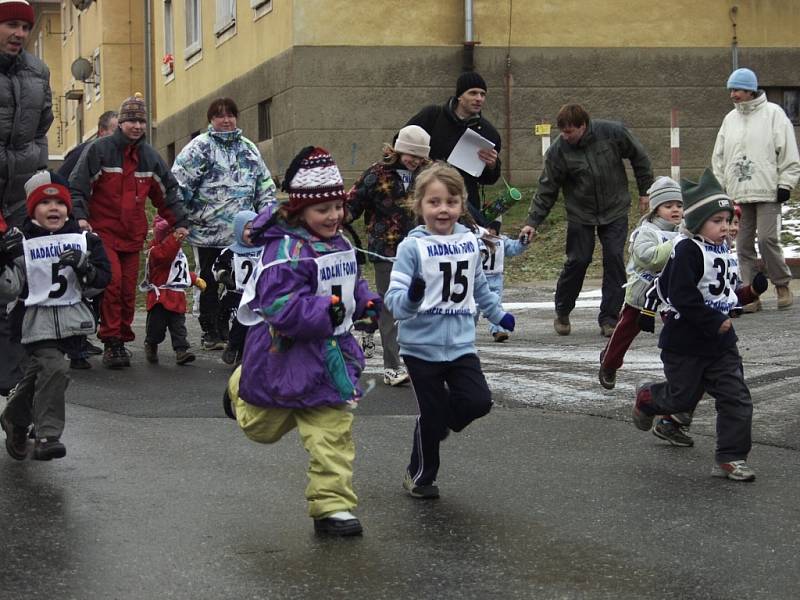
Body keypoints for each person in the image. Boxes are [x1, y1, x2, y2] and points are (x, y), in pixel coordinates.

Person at [223, 147, 381, 537]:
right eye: (322, 209)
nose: (333, 216)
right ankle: (237, 386)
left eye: (337, 207)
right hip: (285, 357)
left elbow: (349, 282)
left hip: (332, 362)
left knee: (333, 432)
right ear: (300, 210)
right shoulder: (284, 250)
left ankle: (332, 507)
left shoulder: (341, 241)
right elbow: (276, 303)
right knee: (261, 428)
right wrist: (318, 312)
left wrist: (365, 301)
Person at [385, 162, 515, 500]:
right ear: (419, 205)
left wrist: (498, 314)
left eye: (451, 202)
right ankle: (420, 476)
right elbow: (394, 300)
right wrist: (411, 297)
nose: (443, 209)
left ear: (462, 204)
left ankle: (443, 421)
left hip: (460, 345)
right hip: (419, 347)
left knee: (478, 401)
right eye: (434, 202)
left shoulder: (470, 243)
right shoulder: (411, 248)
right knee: (430, 414)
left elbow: (480, 287)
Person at [631, 169, 762, 482]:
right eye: (717, 221)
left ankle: (730, 458)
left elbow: (725, 295)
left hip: (720, 347)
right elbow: (683, 296)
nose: (725, 227)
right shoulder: (687, 250)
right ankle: (648, 398)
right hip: (685, 343)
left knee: (737, 398)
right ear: (696, 222)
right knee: (681, 398)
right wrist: (714, 320)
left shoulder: (724, 252)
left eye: (728, 221)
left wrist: (751, 292)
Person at [69, 93, 189, 369]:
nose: (136, 125)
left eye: (141, 121)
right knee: (111, 286)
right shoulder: (99, 151)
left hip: (133, 236)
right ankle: (111, 342)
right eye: (131, 120)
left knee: (126, 291)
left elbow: (167, 193)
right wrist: (82, 218)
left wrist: (180, 221)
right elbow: (78, 186)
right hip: (103, 234)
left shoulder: (149, 157)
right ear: (121, 122)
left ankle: (121, 339)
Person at [0, 171, 110, 461]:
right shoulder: (20, 241)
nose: (54, 209)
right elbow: (8, 290)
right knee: (55, 369)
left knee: (43, 374)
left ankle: (14, 419)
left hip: (71, 320)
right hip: (33, 319)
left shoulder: (84, 240)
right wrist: (3, 258)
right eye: (45, 203)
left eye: (59, 203)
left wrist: (85, 268)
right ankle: (48, 435)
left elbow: (100, 283)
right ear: (31, 208)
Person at [520, 103, 654, 338]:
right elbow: (546, 190)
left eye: (570, 131)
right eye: (562, 131)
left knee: (614, 259)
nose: (565, 136)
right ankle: (563, 310)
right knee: (578, 261)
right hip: (580, 212)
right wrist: (533, 221)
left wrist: (646, 190)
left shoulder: (612, 133)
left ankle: (610, 318)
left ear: (583, 126)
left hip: (615, 208)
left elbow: (639, 156)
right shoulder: (558, 152)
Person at [172, 97, 277, 351]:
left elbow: (264, 185)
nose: (226, 120)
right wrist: (178, 219)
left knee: (239, 284)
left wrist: (268, 218)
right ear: (211, 120)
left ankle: (234, 330)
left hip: (243, 236)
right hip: (206, 233)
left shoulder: (249, 148)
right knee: (208, 281)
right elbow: (179, 185)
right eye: (220, 115)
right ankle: (210, 331)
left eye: (230, 114)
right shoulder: (199, 148)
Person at [346, 124, 431, 386]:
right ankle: (392, 367)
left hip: (421, 250)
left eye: (419, 156)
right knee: (390, 308)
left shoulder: (429, 174)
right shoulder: (376, 174)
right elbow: (353, 203)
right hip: (385, 249)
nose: (413, 161)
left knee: (421, 307)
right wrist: (336, 219)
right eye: (409, 154)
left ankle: (421, 362)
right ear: (397, 150)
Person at [712, 67, 800, 312]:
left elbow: (788, 151)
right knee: (742, 244)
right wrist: (721, 187)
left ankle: (782, 284)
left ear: (750, 90)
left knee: (767, 238)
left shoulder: (774, 114)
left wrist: (786, 183)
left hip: (767, 190)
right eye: (731, 89)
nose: (733, 94)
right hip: (737, 192)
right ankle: (750, 292)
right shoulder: (729, 119)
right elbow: (718, 156)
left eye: (738, 89)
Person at [0, 0, 54, 395]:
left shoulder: (39, 71)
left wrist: (33, 160)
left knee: (20, 286)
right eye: (10, 25)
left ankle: (18, 391)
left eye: (24, 26)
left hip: (18, 195)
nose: (19, 33)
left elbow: (43, 122)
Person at [598, 177, 683, 391]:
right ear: (655, 210)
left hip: (670, 297)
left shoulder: (684, 232)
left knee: (678, 334)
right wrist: (678, 242)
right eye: (668, 205)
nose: (675, 210)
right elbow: (650, 258)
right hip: (642, 294)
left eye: (679, 205)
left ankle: (681, 374)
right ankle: (609, 363)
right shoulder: (646, 232)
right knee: (624, 332)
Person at [57, 110, 118, 369]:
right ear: (102, 131)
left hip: (98, 227)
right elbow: (65, 185)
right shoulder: (87, 152)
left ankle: (81, 339)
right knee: (78, 283)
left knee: (95, 281)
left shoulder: (117, 155)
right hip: (77, 225)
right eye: (117, 130)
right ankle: (75, 345)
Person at [404, 71, 501, 227]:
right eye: (473, 93)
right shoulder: (432, 116)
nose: (479, 98)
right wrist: (423, 161)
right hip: (425, 196)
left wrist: (492, 165)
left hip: (464, 203)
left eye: (483, 94)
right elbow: (402, 142)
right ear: (460, 96)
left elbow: (488, 179)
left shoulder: (489, 133)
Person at [141, 216, 206, 366]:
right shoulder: (155, 252)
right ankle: (151, 344)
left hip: (177, 297)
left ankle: (181, 351)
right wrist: (175, 237)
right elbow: (166, 256)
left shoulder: (177, 251)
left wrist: (194, 279)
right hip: (160, 299)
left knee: (179, 328)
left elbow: (179, 272)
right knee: (156, 328)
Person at [212, 209, 262, 366]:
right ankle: (233, 346)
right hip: (235, 294)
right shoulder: (230, 252)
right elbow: (216, 267)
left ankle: (243, 354)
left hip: (256, 295)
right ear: (239, 229)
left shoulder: (264, 251)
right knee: (240, 322)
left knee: (254, 325)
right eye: (248, 228)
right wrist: (223, 275)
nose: (252, 233)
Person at [477, 224, 529, 342]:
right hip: (479, 277)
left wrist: (523, 242)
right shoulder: (476, 239)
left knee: (496, 304)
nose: (489, 231)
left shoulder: (502, 241)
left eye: (493, 229)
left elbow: (514, 248)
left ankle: (498, 330)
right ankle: (466, 330)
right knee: (474, 308)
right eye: (487, 228)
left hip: (496, 278)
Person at [58, 110, 118, 180]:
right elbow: (61, 179)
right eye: (116, 132)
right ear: (102, 131)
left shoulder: (122, 154)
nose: (120, 136)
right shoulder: (81, 152)